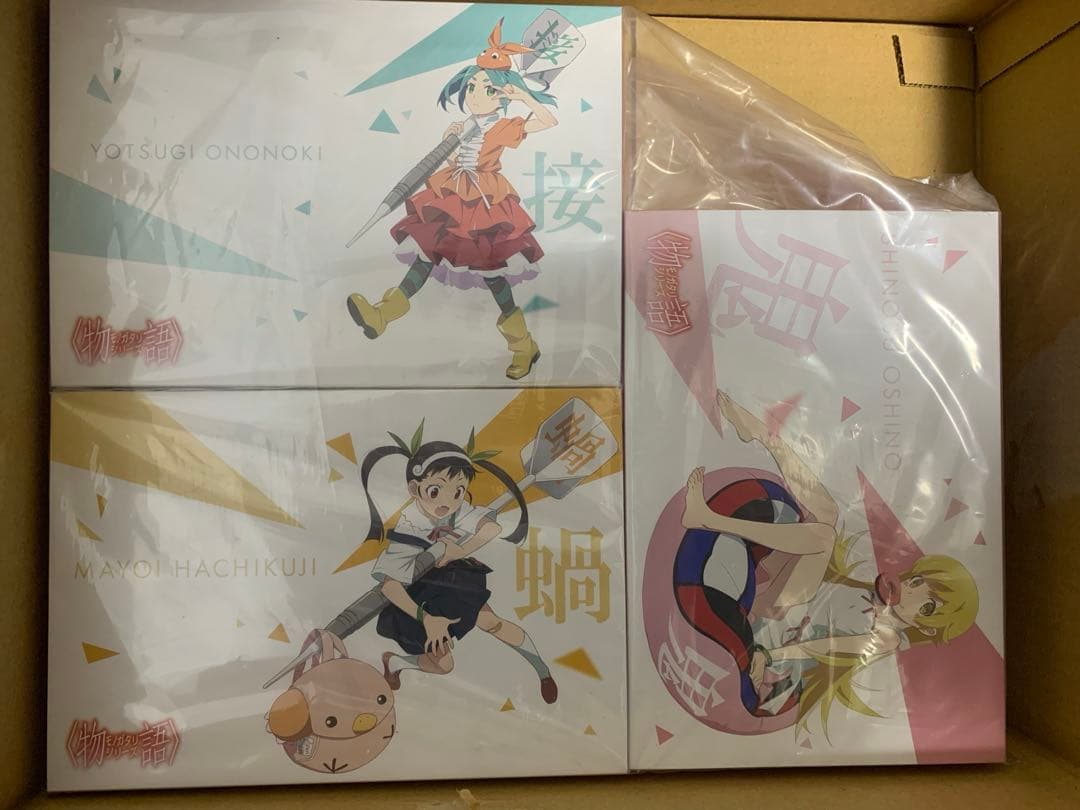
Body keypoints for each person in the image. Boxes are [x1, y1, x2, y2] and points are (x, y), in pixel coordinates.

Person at [678, 390, 979, 730]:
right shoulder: (875, 597)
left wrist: (768, 656)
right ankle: (761, 435)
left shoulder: (887, 638)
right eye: (917, 581)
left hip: (777, 639)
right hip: (786, 602)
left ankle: (707, 518)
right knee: (828, 514)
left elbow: (823, 648)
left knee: (823, 536)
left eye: (927, 606)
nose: (910, 591)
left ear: (927, 627)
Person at [347, 19, 557, 380]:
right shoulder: (464, 124)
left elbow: (548, 120)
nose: (475, 94)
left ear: (503, 94)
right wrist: (451, 142)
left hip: (485, 204)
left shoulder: (501, 127)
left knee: (495, 277)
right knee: (426, 255)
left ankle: (524, 345)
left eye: (487, 89)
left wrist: (523, 97)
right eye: (472, 85)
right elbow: (458, 161)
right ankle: (382, 315)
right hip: (453, 195)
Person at [360, 425, 558, 704]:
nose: (447, 502)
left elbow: (490, 528)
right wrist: (428, 620)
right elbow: (390, 587)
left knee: (491, 622)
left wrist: (459, 551)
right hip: (418, 599)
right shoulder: (409, 527)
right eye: (435, 490)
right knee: (444, 666)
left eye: (458, 492)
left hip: (452, 581)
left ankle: (543, 671)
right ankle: (396, 662)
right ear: (415, 488)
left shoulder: (458, 510)